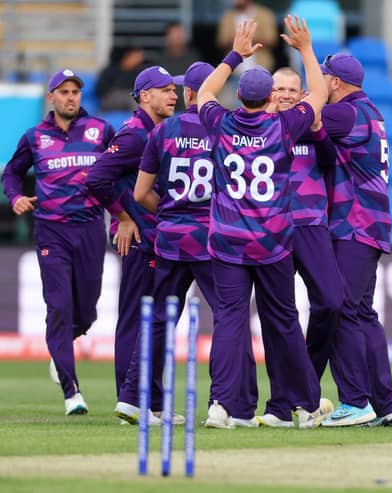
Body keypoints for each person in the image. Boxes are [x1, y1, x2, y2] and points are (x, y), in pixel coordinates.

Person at [197, 17, 329, 429]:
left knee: (230, 323)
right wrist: (305, 49)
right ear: (271, 95)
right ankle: (307, 406)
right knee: (285, 322)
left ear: (239, 96)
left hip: (228, 243)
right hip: (272, 244)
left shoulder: (221, 123)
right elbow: (320, 92)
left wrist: (235, 53)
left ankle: (221, 405)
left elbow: (203, 91)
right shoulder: (283, 127)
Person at [132, 61, 259, 428]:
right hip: (213, 239)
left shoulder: (164, 130)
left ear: (188, 92)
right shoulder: (227, 129)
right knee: (229, 319)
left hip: (170, 239)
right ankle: (228, 404)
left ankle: (144, 402)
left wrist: (172, 211)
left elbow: (141, 193)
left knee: (158, 320)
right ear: (213, 93)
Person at [1, 69, 115, 415]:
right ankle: (72, 392)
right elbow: (12, 172)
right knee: (59, 308)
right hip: (52, 231)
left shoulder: (100, 131)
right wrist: (16, 196)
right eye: (63, 91)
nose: (70, 97)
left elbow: (118, 169)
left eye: (75, 92)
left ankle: (61, 345)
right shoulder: (35, 137)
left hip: (91, 228)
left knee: (88, 311)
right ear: (51, 97)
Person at [86, 65, 178, 424]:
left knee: (152, 321)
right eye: (166, 90)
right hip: (140, 239)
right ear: (145, 96)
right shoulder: (135, 135)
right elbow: (95, 179)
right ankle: (133, 402)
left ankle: (151, 403)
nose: (174, 95)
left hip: (155, 237)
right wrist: (122, 218)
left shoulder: (156, 131)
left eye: (175, 89)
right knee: (136, 321)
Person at [318, 53, 392, 427]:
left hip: (353, 224)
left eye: (322, 79)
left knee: (344, 310)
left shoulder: (345, 113)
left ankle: (355, 401)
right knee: (364, 313)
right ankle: (386, 403)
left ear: (335, 83)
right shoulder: (372, 112)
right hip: (372, 225)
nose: (318, 85)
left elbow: (302, 122)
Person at [257, 66, 343, 427]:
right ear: (268, 92)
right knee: (277, 317)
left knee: (331, 300)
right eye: (279, 88)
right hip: (271, 227)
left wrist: (317, 126)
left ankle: (304, 377)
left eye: (293, 89)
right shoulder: (255, 127)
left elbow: (329, 161)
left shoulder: (311, 124)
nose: (286, 95)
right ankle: (279, 406)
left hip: (310, 223)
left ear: (303, 92)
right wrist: (267, 118)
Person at [216, 0, 278, 73]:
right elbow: (221, 42)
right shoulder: (227, 16)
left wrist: (249, 39)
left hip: (262, 69)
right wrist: (238, 41)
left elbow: (272, 40)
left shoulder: (264, 14)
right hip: (235, 71)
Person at [157, 22, 201, 112]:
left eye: (180, 33)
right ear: (167, 37)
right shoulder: (160, 60)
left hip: (190, 103)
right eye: (174, 34)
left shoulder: (193, 57)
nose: (177, 37)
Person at [95, 45, 147, 111]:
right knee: (133, 100)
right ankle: (142, 120)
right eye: (137, 56)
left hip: (129, 98)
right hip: (109, 99)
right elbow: (99, 91)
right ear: (126, 57)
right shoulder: (110, 70)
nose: (140, 59)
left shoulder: (137, 72)